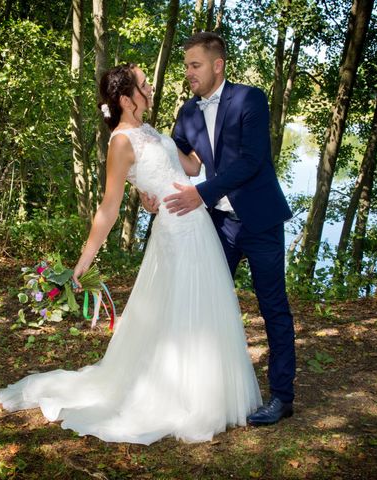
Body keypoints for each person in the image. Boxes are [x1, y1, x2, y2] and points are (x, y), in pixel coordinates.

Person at [0, 63, 262, 445]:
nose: (149, 86)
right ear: (126, 99)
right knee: (180, 309)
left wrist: (210, 128)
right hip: (175, 233)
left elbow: (189, 165)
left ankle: (204, 388)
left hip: (197, 225)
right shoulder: (121, 143)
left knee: (201, 309)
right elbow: (108, 208)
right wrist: (84, 260)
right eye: (143, 83)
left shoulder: (148, 129)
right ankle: (180, 396)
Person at [146, 31, 296, 426]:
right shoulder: (188, 113)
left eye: (194, 66)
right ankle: (203, 392)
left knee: (273, 307)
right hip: (219, 224)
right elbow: (179, 162)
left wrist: (201, 194)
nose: (188, 74)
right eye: (186, 67)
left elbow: (252, 161)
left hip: (260, 221)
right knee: (205, 304)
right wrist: (150, 190)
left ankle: (282, 396)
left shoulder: (251, 99)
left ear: (218, 65)